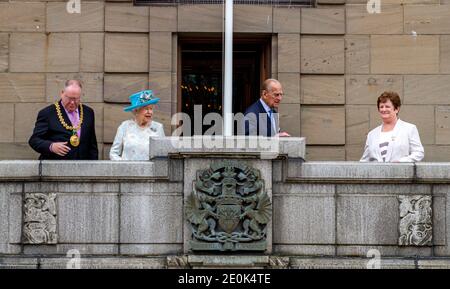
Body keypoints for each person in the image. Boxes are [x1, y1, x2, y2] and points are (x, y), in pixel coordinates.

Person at [29, 80, 98, 160]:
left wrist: (94, 167)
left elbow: (92, 144)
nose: (72, 102)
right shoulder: (47, 113)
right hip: (55, 166)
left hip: (83, 166)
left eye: (76, 99)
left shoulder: (88, 112)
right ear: (62, 94)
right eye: (69, 98)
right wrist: (51, 146)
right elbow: (34, 140)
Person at [360, 91, 424, 162]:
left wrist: (401, 161)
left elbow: (419, 153)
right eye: (381, 107)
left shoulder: (409, 129)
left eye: (387, 106)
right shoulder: (371, 135)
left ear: (396, 109)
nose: (384, 109)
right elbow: (364, 161)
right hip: (376, 173)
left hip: (400, 172)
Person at [110, 90, 165, 160]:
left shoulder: (158, 127)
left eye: (151, 108)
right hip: (128, 170)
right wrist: (124, 166)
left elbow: (163, 154)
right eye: (146, 109)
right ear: (136, 111)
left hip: (150, 170)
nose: (150, 112)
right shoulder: (125, 127)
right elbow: (113, 153)